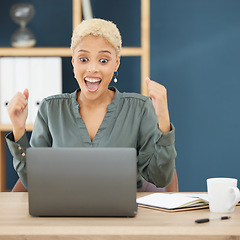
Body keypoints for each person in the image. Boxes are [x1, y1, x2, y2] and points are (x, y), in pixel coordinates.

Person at [6, 18, 177, 191]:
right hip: (64, 213)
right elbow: (35, 182)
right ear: (73, 62)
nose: (92, 69)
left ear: (116, 63)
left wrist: (163, 121)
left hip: (124, 215)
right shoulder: (50, 108)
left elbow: (160, 178)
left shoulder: (140, 108)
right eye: (83, 59)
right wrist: (19, 129)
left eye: (103, 60)